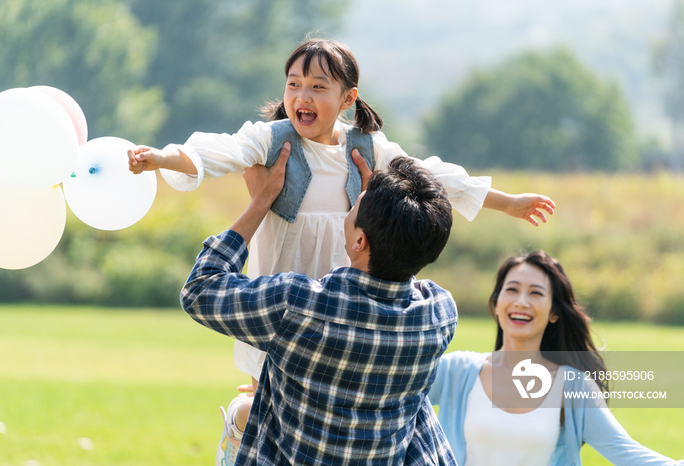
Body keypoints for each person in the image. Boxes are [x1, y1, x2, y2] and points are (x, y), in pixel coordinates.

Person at [128, 37, 555, 463]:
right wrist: (163, 158)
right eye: (293, 84)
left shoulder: (367, 148)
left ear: (348, 98)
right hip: (287, 302)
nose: (301, 96)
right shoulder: (272, 140)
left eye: (317, 86)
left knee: (283, 407)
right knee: (267, 403)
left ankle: (243, 426)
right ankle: (241, 432)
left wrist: (508, 202)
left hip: (348, 305)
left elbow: (434, 176)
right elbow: (218, 151)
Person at [181, 154, 459, 465]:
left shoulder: (299, 306)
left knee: (242, 410)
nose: (352, 204)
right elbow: (402, 265)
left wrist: (261, 201)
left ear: (359, 240)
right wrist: (392, 228)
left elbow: (199, 290)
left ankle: (237, 425)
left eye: (356, 203)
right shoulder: (439, 314)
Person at [428, 251, 684, 466]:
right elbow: (392, 404)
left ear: (554, 313)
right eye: (512, 290)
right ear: (496, 303)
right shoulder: (456, 371)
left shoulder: (573, 386)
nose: (521, 302)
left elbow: (627, 453)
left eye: (536, 293)